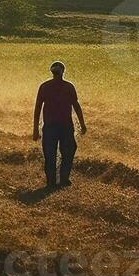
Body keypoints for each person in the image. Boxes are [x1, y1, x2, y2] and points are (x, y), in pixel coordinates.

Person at [33, 61, 87, 190]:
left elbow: (37, 108)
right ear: (63, 71)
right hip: (65, 127)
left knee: (50, 154)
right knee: (68, 152)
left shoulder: (44, 86)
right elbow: (76, 106)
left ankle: (51, 182)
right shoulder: (68, 87)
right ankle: (63, 179)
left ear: (52, 72)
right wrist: (82, 124)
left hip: (50, 126)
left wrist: (35, 129)